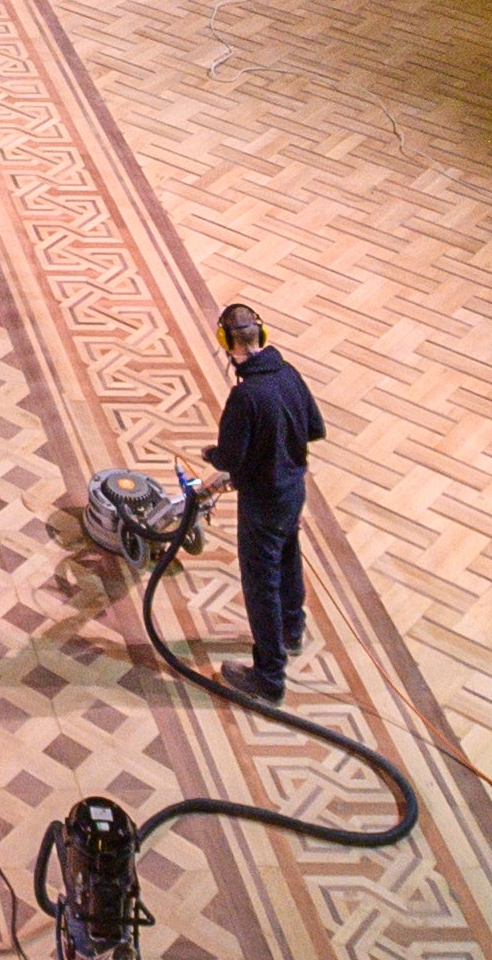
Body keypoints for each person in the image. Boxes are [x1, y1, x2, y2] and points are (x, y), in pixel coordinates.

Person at [208, 302, 326, 705]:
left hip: (262, 503)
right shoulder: (289, 375)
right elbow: (314, 428)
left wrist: (214, 457)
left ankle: (269, 676)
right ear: (263, 333)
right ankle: (293, 630)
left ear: (226, 342)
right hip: (294, 490)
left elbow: (230, 458)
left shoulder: (246, 397)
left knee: (262, 585)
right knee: (288, 556)